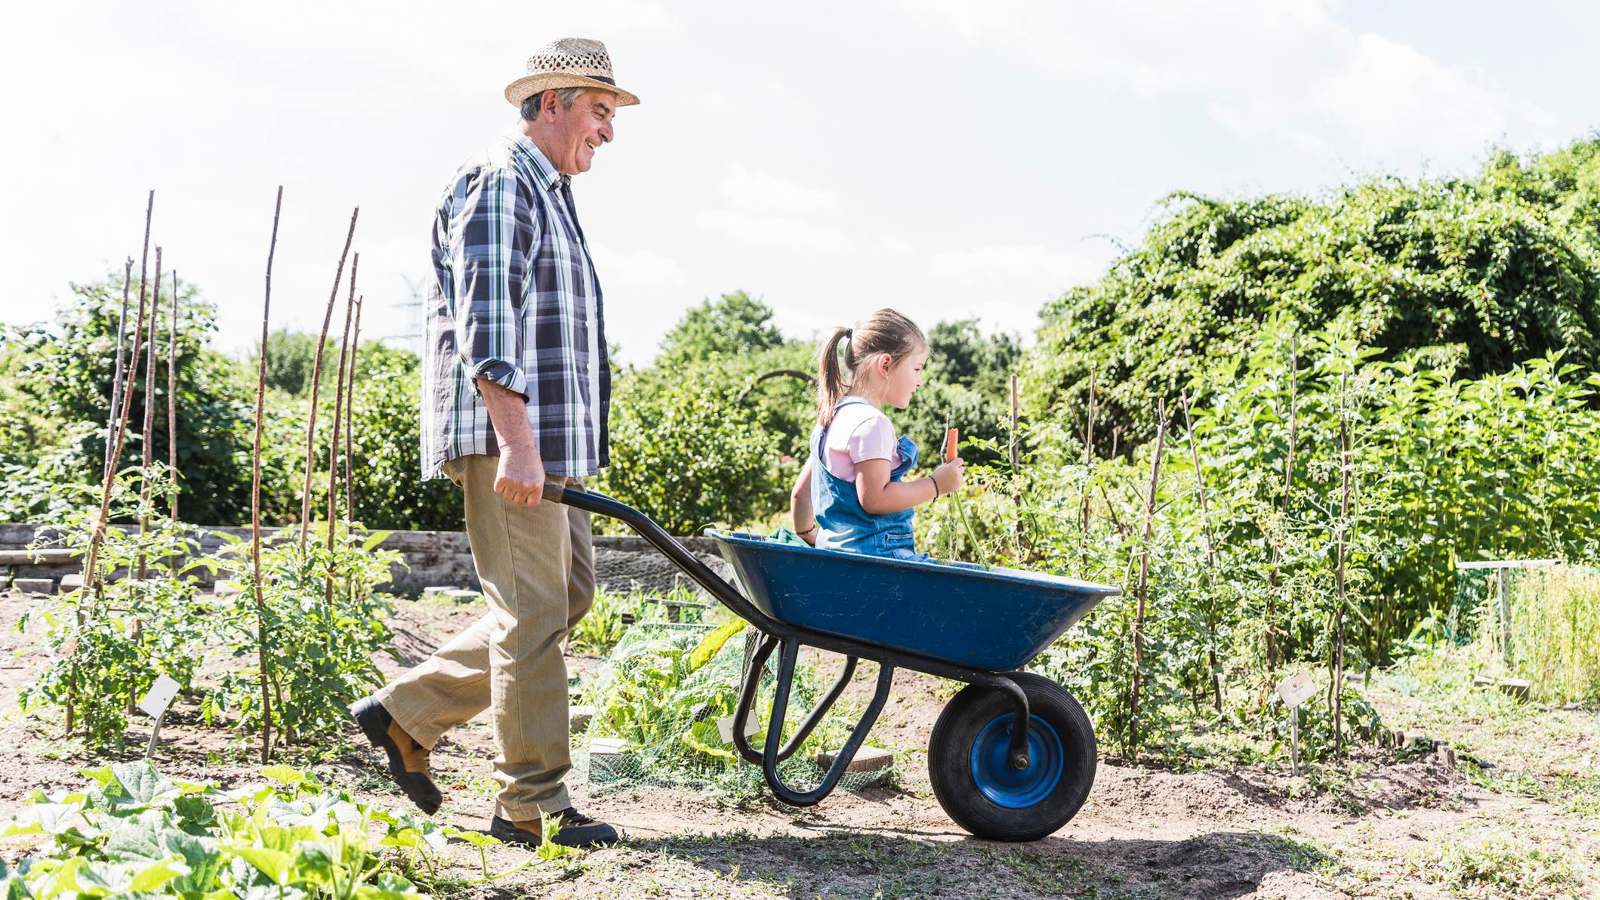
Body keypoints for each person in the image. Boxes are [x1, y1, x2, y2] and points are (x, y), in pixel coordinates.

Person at [348, 37, 639, 850]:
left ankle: (408, 713)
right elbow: (488, 322)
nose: (608, 132)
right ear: (552, 103)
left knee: (565, 596)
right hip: (509, 433)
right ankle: (531, 804)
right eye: (600, 112)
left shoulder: (548, 190)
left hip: (546, 441)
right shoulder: (502, 181)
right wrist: (516, 442)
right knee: (531, 612)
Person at [789, 309, 964, 559]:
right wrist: (935, 484)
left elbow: (800, 493)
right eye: (916, 369)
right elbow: (875, 499)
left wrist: (808, 533)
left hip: (836, 557)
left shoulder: (829, 420)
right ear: (885, 365)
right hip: (877, 561)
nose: (920, 381)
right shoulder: (872, 423)